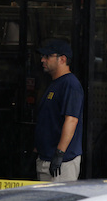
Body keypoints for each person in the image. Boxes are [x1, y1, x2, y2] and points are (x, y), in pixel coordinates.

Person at [34, 39, 84, 182]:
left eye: (47, 56)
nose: (42, 60)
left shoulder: (70, 85)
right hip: (46, 158)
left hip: (62, 163)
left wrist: (59, 153)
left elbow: (71, 119)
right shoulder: (55, 84)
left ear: (62, 59)